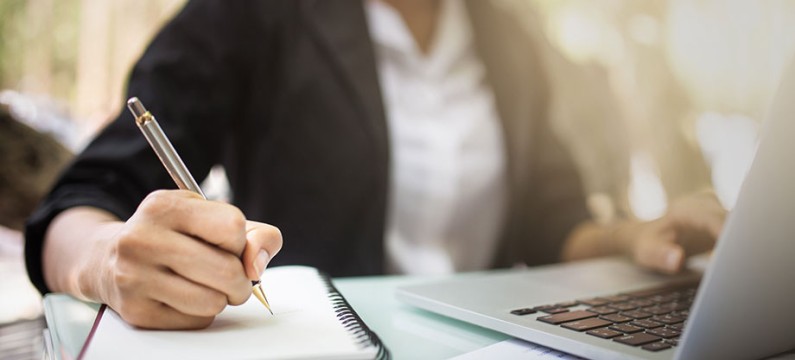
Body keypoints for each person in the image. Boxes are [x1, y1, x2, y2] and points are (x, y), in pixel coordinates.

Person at [25, 0, 725, 330]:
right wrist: (106, 259)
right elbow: (81, 202)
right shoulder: (250, 16)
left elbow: (551, 220)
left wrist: (635, 238)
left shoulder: (509, 37)